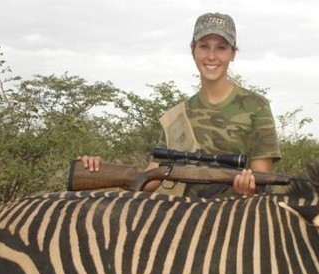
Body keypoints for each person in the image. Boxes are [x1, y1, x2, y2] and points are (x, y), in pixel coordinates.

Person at [79, 12, 281, 197]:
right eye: (204, 46)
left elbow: (260, 179)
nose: (212, 56)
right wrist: (97, 168)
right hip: (184, 226)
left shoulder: (256, 107)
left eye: (221, 47)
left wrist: (248, 187)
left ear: (233, 53)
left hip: (236, 223)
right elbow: (148, 179)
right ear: (192, 50)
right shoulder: (178, 114)